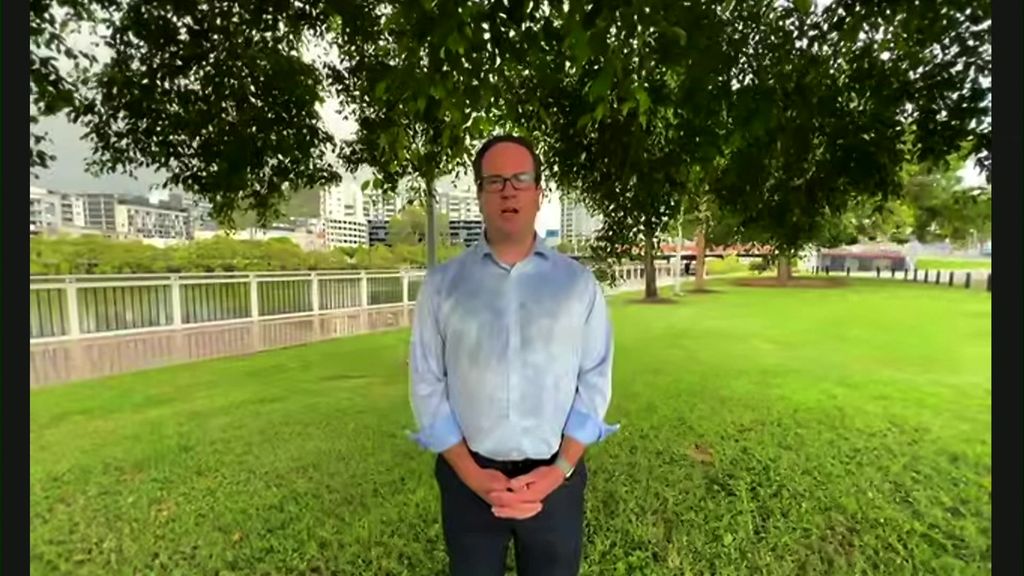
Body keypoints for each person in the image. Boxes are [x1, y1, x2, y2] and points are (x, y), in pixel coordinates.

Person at [408, 134, 618, 576]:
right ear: (480, 194)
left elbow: (595, 378)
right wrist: (471, 473)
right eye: (495, 180)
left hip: (554, 482)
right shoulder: (442, 286)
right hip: (468, 482)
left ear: (538, 194)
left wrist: (559, 468)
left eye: (520, 179)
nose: (508, 190)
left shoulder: (577, 285)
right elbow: (427, 384)